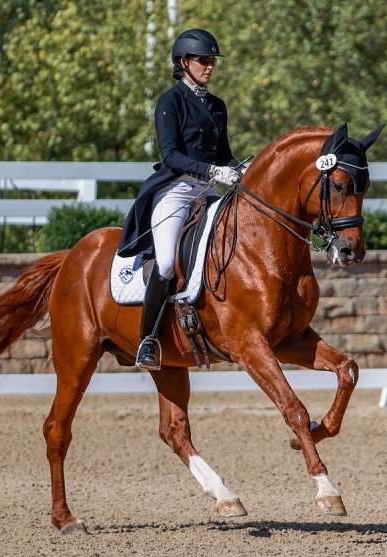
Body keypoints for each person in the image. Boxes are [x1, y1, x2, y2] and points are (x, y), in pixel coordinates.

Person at [117, 28, 240, 370]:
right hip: (178, 189)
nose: (210, 66)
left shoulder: (217, 106)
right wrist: (212, 172)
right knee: (168, 263)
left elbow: (225, 154)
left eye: (212, 60)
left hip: (210, 192)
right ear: (183, 62)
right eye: (203, 60)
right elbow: (170, 155)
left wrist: (242, 169)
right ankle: (148, 340)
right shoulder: (170, 102)